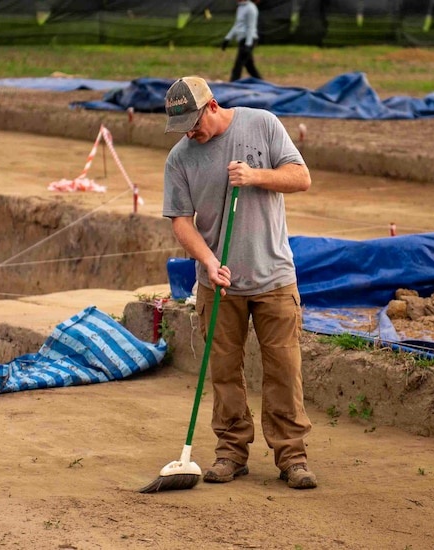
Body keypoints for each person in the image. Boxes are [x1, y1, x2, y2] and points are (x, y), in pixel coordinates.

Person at [162, 76, 317, 489]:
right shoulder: (180, 159)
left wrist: (255, 176)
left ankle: (292, 456)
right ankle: (231, 452)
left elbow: (301, 178)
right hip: (220, 286)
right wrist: (209, 261)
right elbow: (180, 220)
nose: (191, 134)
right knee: (225, 372)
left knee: (284, 369)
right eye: (183, 128)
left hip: (274, 278)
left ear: (212, 105)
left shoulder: (262, 124)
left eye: (195, 123)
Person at [221, 0, 262, 82]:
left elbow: (251, 27)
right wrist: (227, 38)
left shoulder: (251, 8)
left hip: (248, 39)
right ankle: (261, 82)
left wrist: (248, 44)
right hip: (242, 40)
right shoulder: (240, 7)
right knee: (249, 66)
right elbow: (237, 24)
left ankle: (232, 84)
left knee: (238, 65)